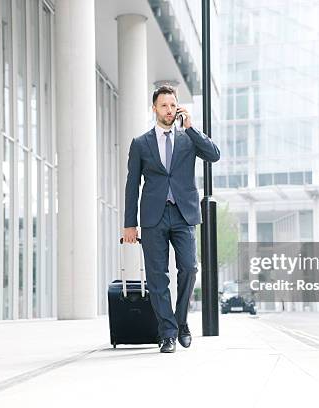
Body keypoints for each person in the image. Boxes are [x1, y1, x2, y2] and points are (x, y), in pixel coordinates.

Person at [122, 85, 220, 353]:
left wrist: (191, 128)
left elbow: (214, 155)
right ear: (154, 108)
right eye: (163, 105)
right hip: (153, 216)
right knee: (157, 277)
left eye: (172, 105)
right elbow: (132, 185)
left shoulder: (188, 138)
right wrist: (130, 224)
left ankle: (181, 322)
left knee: (189, 268)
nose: (169, 110)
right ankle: (167, 333)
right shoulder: (141, 143)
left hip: (183, 213)